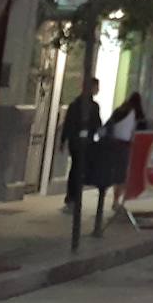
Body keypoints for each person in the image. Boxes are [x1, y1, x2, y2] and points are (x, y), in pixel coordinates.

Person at [59, 77, 100, 212]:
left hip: (76, 142)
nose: (98, 90)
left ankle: (72, 198)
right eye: (96, 87)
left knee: (76, 169)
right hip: (84, 142)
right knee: (78, 169)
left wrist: (63, 140)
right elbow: (96, 125)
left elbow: (68, 124)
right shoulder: (91, 106)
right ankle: (73, 198)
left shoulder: (76, 104)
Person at [103, 92, 145, 210]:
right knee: (122, 175)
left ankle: (104, 195)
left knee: (111, 172)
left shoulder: (119, 110)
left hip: (112, 143)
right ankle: (117, 201)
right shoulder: (135, 113)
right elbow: (136, 130)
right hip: (125, 145)